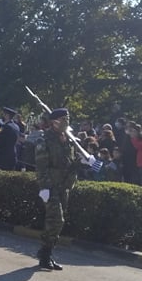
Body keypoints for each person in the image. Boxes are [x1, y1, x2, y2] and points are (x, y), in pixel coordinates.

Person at [34, 108, 87, 270]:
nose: (67, 122)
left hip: (65, 186)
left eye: (68, 119)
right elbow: (41, 167)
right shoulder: (45, 139)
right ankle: (45, 253)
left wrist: (82, 162)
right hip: (51, 186)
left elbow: (68, 164)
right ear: (54, 121)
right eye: (64, 119)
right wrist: (44, 188)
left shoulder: (69, 140)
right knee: (57, 220)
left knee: (57, 222)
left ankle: (47, 253)